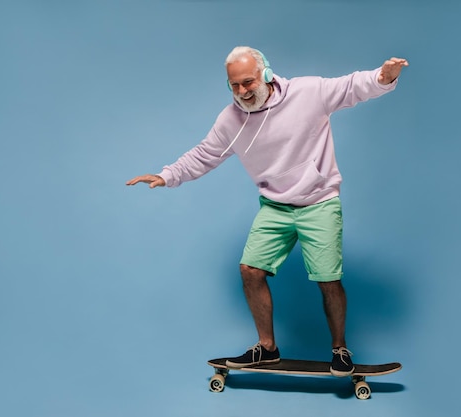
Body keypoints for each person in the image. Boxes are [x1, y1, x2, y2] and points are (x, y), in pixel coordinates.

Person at [126, 46, 408, 377]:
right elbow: (205, 154)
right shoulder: (230, 120)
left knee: (328, 279)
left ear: (267, 74)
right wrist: (167, 175)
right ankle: (267, 348)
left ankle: (340, 349)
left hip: (318, 202)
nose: (243, 91)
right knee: (250, 270)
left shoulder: (307, 93)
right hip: (275, 206)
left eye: (248, 82)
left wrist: (382, 77)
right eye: (235, 85)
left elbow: (350, 87)